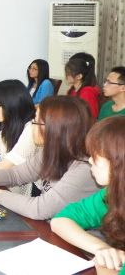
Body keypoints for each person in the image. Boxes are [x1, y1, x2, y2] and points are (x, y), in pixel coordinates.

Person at [0, 96, 99, 220]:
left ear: (54, 129)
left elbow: (39, 209)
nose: (31, 125)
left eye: (36, 121)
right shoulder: (51, 151)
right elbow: (16, 174)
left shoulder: (85, 170)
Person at [51, 116, 125, 274]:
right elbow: (60, 220)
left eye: (96, 155)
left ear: (118, 162)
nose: (90, 160)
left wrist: (104, 264)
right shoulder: (113, 194)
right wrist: (101, 249)